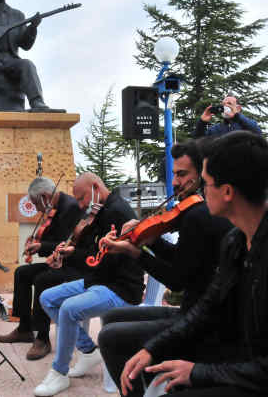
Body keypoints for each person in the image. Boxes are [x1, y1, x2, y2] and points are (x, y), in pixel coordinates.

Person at [121, 131, 268, 397]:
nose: (201, 192)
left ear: (226, 192)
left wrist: (197, 372)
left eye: (206, 184)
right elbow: (208, 306)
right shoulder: (236, 239)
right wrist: (152, 348)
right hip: (242, 358)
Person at [97, 140, 233, 395]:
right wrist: (153, 238)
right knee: (110, 317)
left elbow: (177, 280)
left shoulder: (199, 216)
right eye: (174, 174)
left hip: (198, 319)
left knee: (109, 337)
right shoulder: (198, 214)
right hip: (193, 307)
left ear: (203, 175)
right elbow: (183, 259)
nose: (175, 182)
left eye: (182, 174)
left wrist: (135, 252)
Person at [33, 172, 144, 397]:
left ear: (95, 187)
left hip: (121, 287)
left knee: (69, 309)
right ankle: (88, 350)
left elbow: (104, 261)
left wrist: (74, 258)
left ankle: (59, 373)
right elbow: (93, 254)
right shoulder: (100, 212)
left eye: (82, 198)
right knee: (47, 297)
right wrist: (70, 252)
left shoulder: (117, 212)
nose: (82, 205)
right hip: (100, 279)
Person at [0, 177, 84, 360]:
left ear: (45, 196)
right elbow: (53, 243)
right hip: (59, 261)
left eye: (36, 203)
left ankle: (43, 338)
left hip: (73, 264)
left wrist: (41, 246)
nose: (36, 208)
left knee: (42, 280)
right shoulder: (55, 207)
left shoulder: (70, 208)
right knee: (22, 272)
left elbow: (62, 244)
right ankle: (24, 328)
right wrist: (39, 244)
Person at [191, 93, 261, 138]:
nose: (225, 106)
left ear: (238, 108)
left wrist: (236, 116)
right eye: (223, 104)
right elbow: (199, 140)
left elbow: (257, 132)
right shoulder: (216, 129)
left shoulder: (246, 125)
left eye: (229, 104)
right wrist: (202, 122)